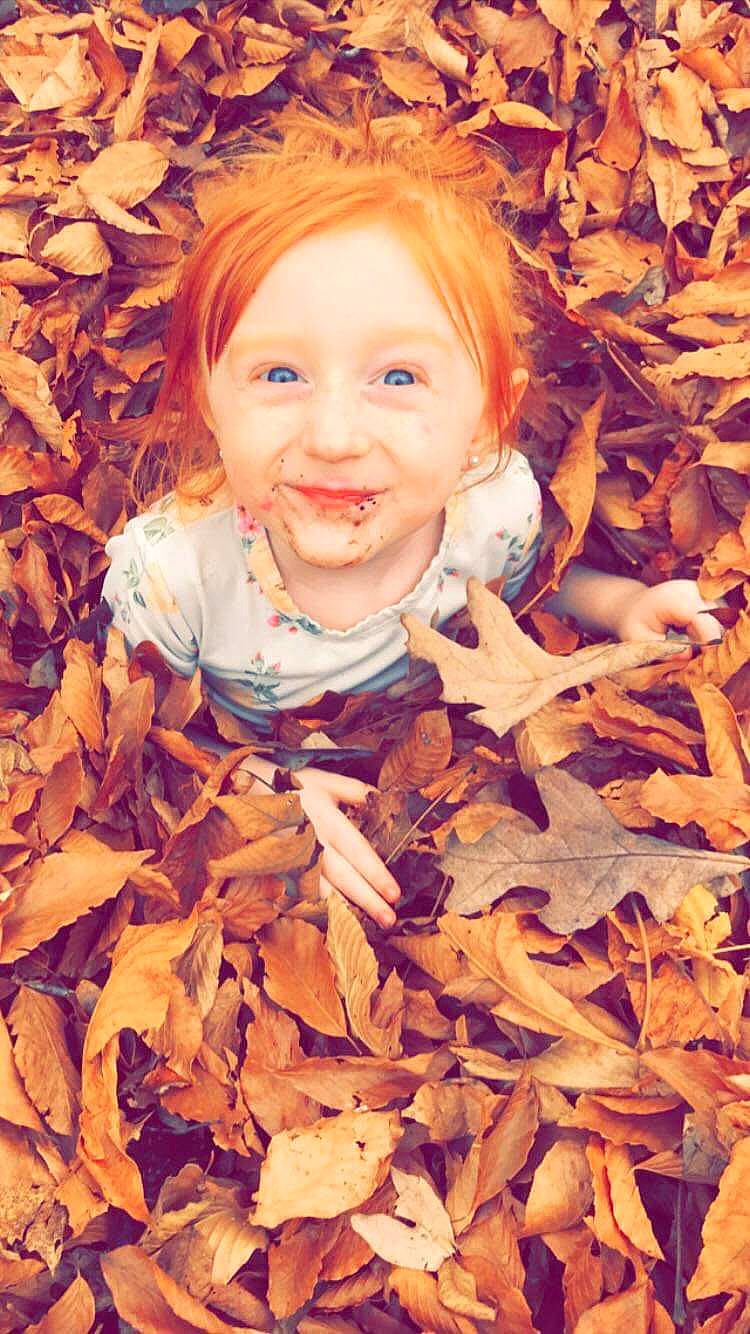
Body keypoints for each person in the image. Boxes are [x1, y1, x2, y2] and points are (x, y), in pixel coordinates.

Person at [99, 92, 723, 930]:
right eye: (278, 375)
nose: (332, 436)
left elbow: (526, 580)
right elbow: (143, 728)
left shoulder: (490, 508)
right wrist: (265, 794)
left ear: (486, 421)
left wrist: (622, 605)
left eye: (398, 379)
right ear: (208, 404)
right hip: (267, 774)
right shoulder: (175, 577)